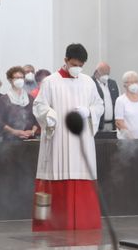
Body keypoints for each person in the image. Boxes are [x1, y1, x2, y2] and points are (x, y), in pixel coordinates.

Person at [31, 44, 104, 231]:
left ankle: (85, 224)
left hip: (81, 140)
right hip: (59, 139)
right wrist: (49, 116)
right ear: (65, 60)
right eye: (74, 64)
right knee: (58, 171)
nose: (77, 68)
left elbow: (99, 105)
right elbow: (39, 106)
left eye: (81, 65)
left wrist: (88, 111)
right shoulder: (50, 82)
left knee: (81, 172)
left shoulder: (88, 82)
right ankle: (55, 224)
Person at [0, 67, 39, 141]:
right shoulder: (4, 99)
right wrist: (14, 132)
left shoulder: (30, 98)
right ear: (10, 80)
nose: (20, 80)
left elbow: (37, 118)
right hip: (11, 140)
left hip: (30, 139)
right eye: (16, 78)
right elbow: (0, 121)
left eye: (21, 77)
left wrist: (32, 131)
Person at [91, 62, 120, 133]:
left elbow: (119, 103)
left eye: (108, 73)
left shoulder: (113, 84)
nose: (106, 76)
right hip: (97, 126)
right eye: (104, 73)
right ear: (96, 72)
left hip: (112, 125)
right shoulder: (90, 83)